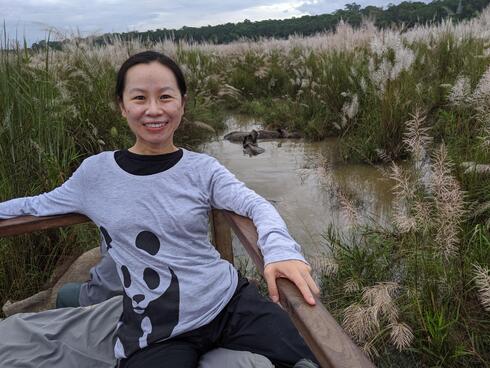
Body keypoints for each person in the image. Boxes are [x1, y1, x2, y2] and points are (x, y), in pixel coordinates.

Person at [0, 51, 319, 368]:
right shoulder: (94, 174)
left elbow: (255, 205)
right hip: (157, 327)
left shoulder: (203, 169)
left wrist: (281, 252)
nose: (154, 110)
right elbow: (35, 205)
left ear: (182, 102)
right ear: (122, 106)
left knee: (311, 358)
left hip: (227, 301)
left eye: (165, 96)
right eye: (139, 97)